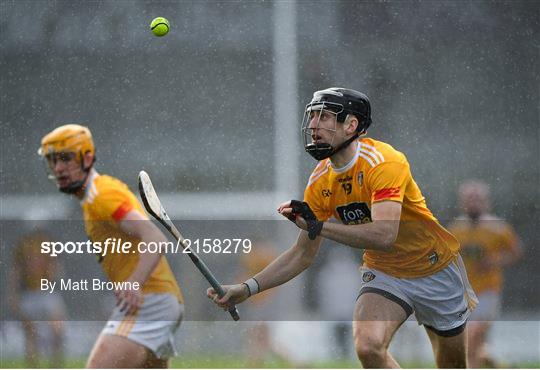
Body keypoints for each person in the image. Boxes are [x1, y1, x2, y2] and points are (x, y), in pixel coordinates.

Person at [208, 87, 478, 368]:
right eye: (312, 116)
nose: (313, 125)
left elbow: (385, 235)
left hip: (435, 269)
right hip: (385, 273)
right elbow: (302, 254)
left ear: (351, 125)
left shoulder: (384, 162)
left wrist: (319, 226)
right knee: (369, 347)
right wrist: (247, 288)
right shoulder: (320, 180)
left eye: (324, 117)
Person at [38, 124, 184, 368]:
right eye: (53, 160)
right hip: (161, 301)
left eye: (65, 158)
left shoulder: (101, 196)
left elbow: (155, 238)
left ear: (86, 157)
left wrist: (134, 283)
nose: (58, 168)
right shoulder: (94, 198)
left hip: (148, 303)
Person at [448, 180, 521, 368]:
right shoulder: (456, 229)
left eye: (477, 199)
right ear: (462, 202)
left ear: (486, 202)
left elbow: (516, 252)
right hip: (463, 294)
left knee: (471, 337)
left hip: (488, 291)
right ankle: (498, 365)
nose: (473, 203)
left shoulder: (498, 229)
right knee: (475, 346)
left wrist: (496, 260)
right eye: (469, 199)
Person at [8, 226, 66, 368]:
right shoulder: (23, 245)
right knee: (31, 335)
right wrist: (13, 294)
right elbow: (16, 271)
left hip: (46, 292)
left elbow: (56, 268)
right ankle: (34, 367)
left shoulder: (48, 242)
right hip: (28, 295)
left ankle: (55, 365)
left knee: (58, 330)